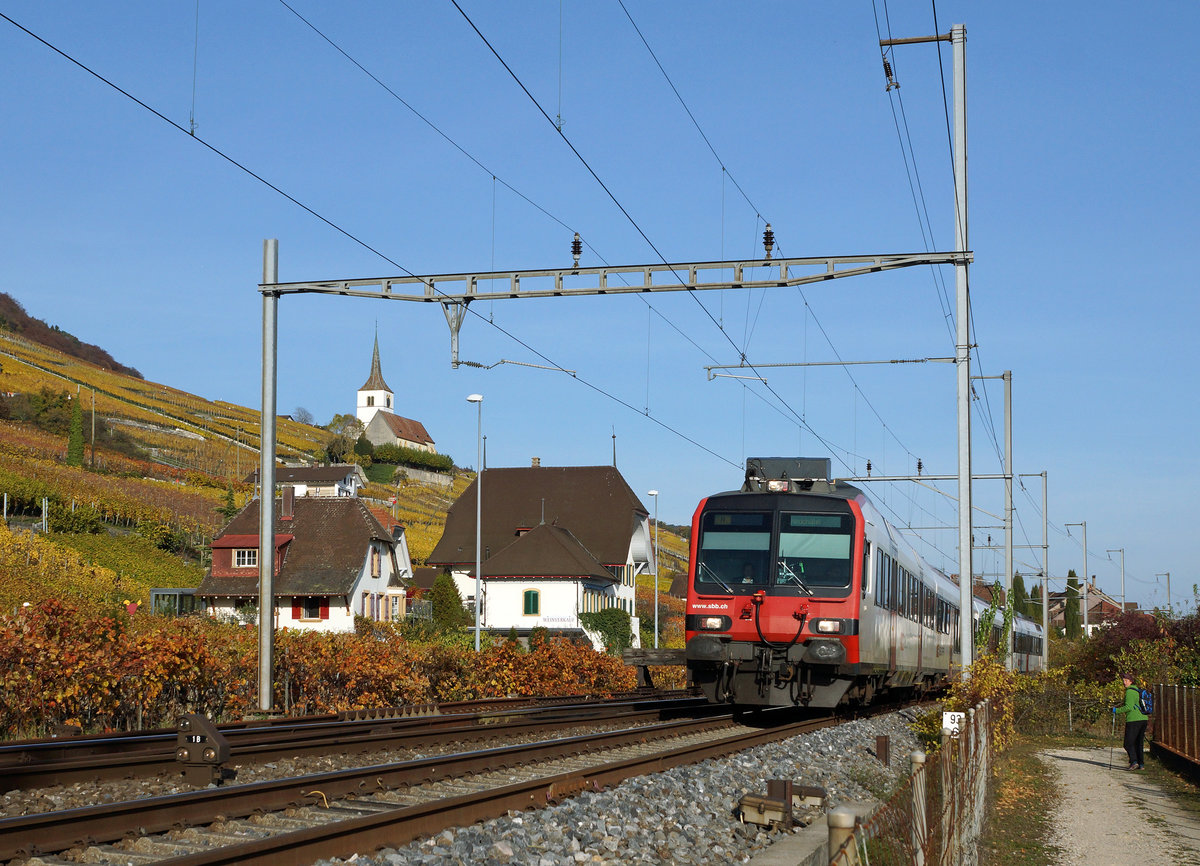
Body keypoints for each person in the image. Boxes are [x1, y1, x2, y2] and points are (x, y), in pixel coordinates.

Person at [1112, 674, 1148, 770]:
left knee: (1128, 743)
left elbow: (1129, 707)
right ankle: (1141, 764)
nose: (1124, 682)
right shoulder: (1137, 691)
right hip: (1143, 718)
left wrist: (1116, 710)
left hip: (1134, 719)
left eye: (1126, 680)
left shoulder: (1129, 692)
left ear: (1131, 681)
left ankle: (1134, 762)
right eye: (1124, 680)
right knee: (1138, 742)